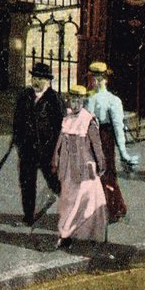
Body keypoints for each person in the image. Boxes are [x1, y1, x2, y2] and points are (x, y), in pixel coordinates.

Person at [52, 85, 107, 249]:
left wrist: (101, 164)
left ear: (83, 101)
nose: (74, 104)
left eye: (78, 101)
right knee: (68, 201)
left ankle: (71, 234)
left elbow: (96, 145)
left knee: (87, 200)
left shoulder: (88, 120)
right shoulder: (67, 118)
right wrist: (56, 158)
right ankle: (69, 233)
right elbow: (60, 142)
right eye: (72, 100)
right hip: (67, 167)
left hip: (84, 167)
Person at [86, 62, 139, 224]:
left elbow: (118, 127)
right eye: (92, 77)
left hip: (105, 139)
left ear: (104, 79)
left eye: (97, 78)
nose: (94, 81)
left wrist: (123, 151)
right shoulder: (88, 98)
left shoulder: (112, 100)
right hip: (90, 137)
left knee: (107, 174)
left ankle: (112, 209)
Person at [13, 61, 64, 225]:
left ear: (48, 81)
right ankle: (28, 216)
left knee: (56, 182)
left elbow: (60, 127)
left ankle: (72, 210)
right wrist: (18, 142)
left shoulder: (54, 99)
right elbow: (17, 121)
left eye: (40, 78)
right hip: (27, 150)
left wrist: (56, 151)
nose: (36, 82)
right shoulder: (24, 96)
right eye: (34, 77)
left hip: (47, 150)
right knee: (27, 183)